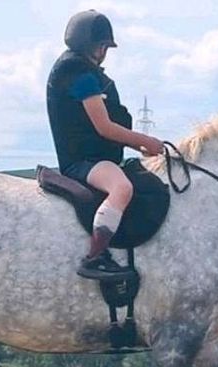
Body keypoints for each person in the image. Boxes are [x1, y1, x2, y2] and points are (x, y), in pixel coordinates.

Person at [46, 9, 164, 281]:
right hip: (82, 162)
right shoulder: (79, 75)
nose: (104, 52)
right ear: (93, 46)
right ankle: (95, 257)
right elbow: (104, 127)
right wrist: (145, 141)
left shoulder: (81, 71)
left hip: (98, 157)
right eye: (103, 46)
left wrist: (139, 147)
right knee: (122, 188)